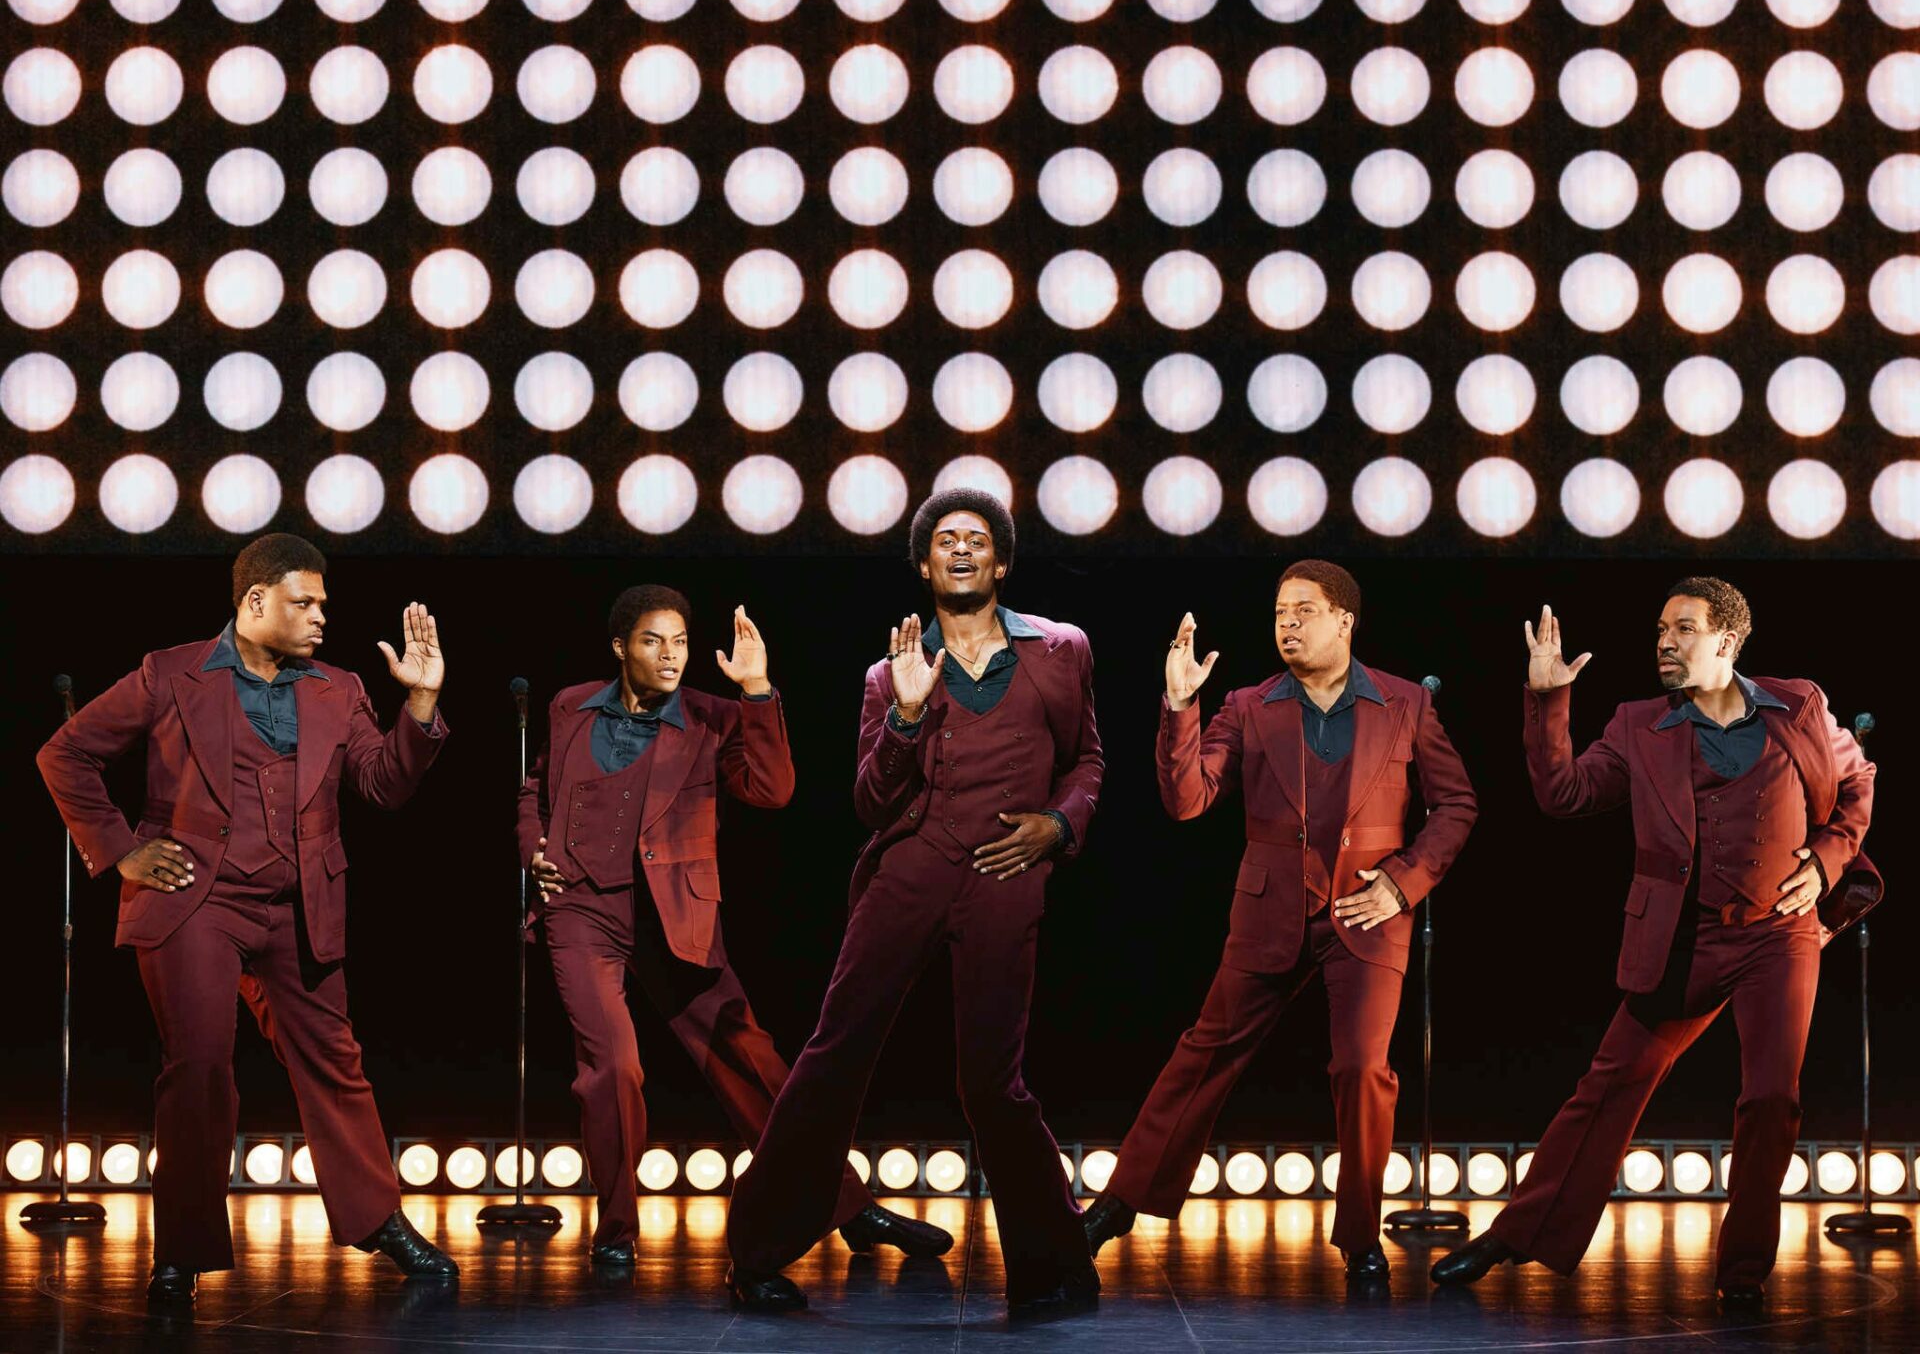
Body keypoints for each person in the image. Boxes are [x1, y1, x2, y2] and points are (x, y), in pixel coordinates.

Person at [36, 534, 457, 1302]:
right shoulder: (171, 671)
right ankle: (182, 1250)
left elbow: (383, 783)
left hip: (301, 903)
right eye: (305, 602)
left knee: (334, 1058)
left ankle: (378, 1219)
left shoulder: (337, 687)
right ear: (255, 600)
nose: (321, 615)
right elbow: (65, 754)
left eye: (324, 602)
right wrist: (121, 850)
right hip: (197, 898)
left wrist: (420, 704)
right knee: (198, 1064)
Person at [1431, 579, 1875, 1306]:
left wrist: (1826, 860)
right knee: (1610, 1084)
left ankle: (1743, 1271)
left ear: (1727, 641)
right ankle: (1516, 1232)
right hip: (1683, 938)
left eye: (1683, 629)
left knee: (1771, 1097)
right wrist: (1547, 699)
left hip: (1778, 934)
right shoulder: (1641, 725)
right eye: (1661, 630)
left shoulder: (1798, 705)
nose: (1665, 642)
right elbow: (1564, 793)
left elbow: (1858, 781)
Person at [726, 488, 1102, 1315]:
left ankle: (1054, 1262)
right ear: (925, 566)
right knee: (835, 1053)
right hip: (910, 868)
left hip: (1006, 871)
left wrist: (1058, 824)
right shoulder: (886, 672)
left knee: (992, 1080)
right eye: (944, 540)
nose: (961, 549)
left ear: (1001, 562)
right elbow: (870, 802)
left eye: (977, 539)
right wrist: (902, 715)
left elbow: (1087, 762)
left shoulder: (1060, 649)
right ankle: (755, 1253)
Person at [517, 587, 950, 1266]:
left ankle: (850, 1206)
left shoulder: (710, 716)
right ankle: (617, 1228)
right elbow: (535, 788)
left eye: (680, 642)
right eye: (654, 641)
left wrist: (756, 690)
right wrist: (533, 853)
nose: (670, 655)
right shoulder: (569, 705)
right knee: (614, 1067)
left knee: (751, 1060)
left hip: (674, 911)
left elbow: (773, 789)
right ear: (620, 647)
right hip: (581, 909)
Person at [1081, 560, 1477, 1283]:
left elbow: (1456, 804)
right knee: (1203, 1052)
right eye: (1278, 613)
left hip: (1366, 914)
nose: (1287, 624)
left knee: (1362, 1068)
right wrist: (1180, 707)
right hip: (1270, 910)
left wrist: (1403, 883)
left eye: (1304, 610)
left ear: (1345, 621)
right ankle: (1120, 1202)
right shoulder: (1248, 704)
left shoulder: (1405, 703)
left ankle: (1360, 1236)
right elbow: (1188, 799)